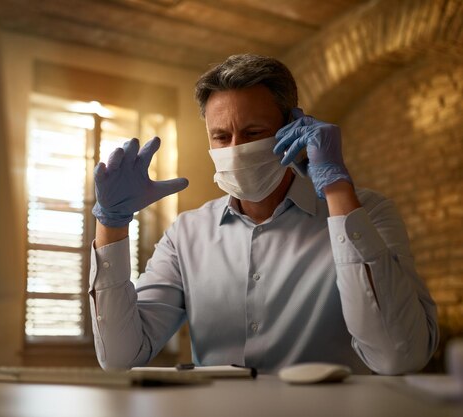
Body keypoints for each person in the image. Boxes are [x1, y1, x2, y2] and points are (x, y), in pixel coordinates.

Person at [88, 54, 438, 375]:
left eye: (254, 132)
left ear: (291, 127)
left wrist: (336, 189)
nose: (237, 149)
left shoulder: (369, 213)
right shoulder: (186, 235)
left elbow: (398, 356)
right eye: (221, 136)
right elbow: (121, 356)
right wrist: (111, 224)